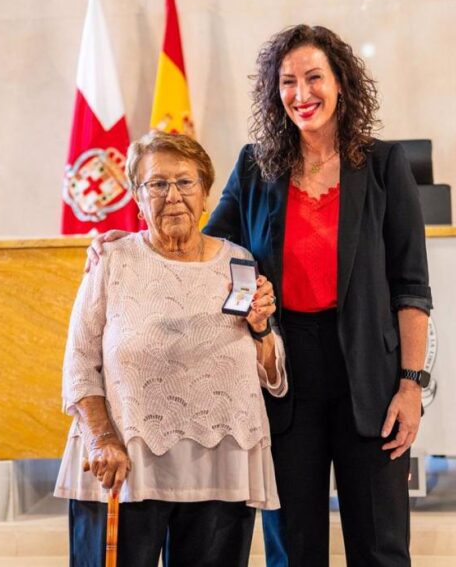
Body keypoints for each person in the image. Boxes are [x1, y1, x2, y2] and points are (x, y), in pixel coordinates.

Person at [89, 25, 432, 566]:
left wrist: (411, 387)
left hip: (368, 373)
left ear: (340, 82)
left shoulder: (385, 167)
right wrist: (127, 241)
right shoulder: (256, 165)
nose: (302, 94)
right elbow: (201, 242)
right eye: (288, 82)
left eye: (314, 78)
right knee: (292, 546)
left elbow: (412, 290)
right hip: (281, 376)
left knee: (381, 546)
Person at [55, 130, 287, 567]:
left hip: (221, 468)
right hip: (125, 463)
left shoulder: (239, 261)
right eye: (156, 184)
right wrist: (102, 439)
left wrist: (261, 331)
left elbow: (273, 379)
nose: (173, 195)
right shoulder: (113, 260)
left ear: (206, 195)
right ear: (138, 199)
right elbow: (79, 363)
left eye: (185, 182)